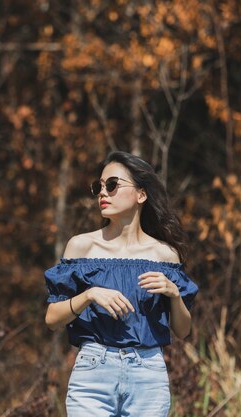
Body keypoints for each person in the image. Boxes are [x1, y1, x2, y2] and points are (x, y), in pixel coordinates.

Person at [44, 151, 199, 416]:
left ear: (141, 194)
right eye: (99, 187)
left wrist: (174, 295)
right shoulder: (82, 247)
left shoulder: (164, 255)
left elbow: (182, 331)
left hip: (148, 376)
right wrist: (89, 295)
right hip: (92, 374)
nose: (103, 193)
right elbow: (52, 319)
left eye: (113, 185)